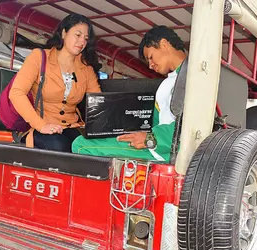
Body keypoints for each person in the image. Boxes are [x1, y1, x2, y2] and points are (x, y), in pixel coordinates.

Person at [72, 25, 187, 161]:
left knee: (80, 145)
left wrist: (150, 138)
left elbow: (189, 127)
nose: (150, 65)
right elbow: (154, 121)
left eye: (150, 57)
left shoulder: (192, 77)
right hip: (155, 144)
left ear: (164, 44)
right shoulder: (169, 82)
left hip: (163, 151)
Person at [9, 13, 101, 152]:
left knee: (91, 149)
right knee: (60, 146)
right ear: (64, 33)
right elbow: (16, 93)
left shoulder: (86, 69)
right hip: (37, 126)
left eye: (86, 38)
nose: (82, 41)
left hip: (71, 127)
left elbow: (98, 103)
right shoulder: (39, 57)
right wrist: (41, 125)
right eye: (77, 35)